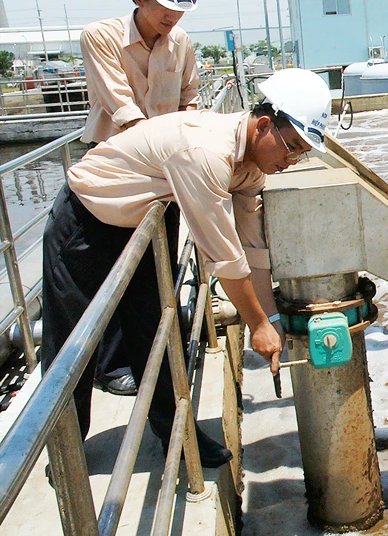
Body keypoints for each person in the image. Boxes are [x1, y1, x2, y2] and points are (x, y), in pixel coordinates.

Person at [41, 68, 332, 468]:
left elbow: (252, 251)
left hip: (140, 226)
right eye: (292, 147)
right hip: (86, 221)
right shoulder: (205, 153)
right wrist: (258, 325)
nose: (292, 160)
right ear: (263, 125)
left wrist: (270, 317)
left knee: (157, 332)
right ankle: (64, 457)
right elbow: (223, 258)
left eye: (302, 153)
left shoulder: (249, 166)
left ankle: (177, 438)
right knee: (74, 344)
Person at [79, 0, 200, 396]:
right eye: (165, 7)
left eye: (180, 9)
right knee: (116, 269)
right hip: (114, 171)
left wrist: (190, 144)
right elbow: (123, 109)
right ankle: (110, 367)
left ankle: (153, 356)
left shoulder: (182, 44)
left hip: (164, 175)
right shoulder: (101, 37)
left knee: (158, 265)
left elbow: (189, 98)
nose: (172, 17)